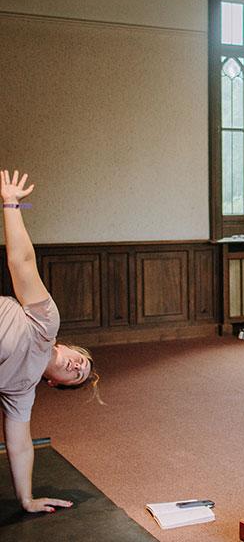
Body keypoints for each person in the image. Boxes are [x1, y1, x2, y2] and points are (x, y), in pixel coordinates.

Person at [1, 169, 99, 513]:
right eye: (81, 361)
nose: (77, 366)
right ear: (69, 347)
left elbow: (20, 444)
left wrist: (26, 500)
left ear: (55, 383)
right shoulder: (45, 323)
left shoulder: (22, 389)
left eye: (76, 375)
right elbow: (22, 262)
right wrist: (11, 204)